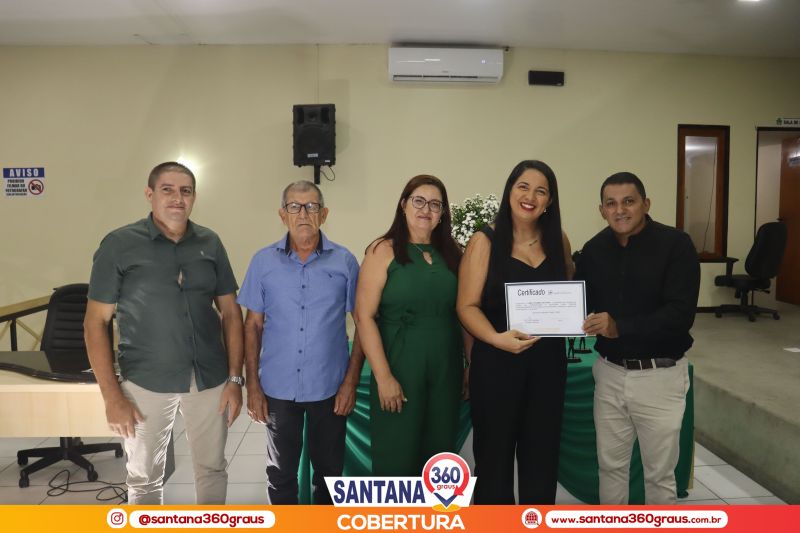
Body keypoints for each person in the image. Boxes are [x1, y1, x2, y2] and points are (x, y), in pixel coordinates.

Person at [84, 161, 244, 505]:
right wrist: (112, 397)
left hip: (208, 378)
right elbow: (95, 322)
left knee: (212, 469)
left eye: (185, 191)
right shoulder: (119, 244)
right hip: (146, 380)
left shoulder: (210, 242)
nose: (177, 198)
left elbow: (231, 313)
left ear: (194, 197)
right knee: (144, 478)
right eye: (167, 190)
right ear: (149, 194)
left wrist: (235, 379)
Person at [577, 172, 700, 505]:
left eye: (629, 201)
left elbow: (680, 314)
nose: (620, 210)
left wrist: (621, 327)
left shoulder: (676, 245)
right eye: (611, 203)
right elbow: (578, 301)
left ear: (645, 204)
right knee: (610, 468)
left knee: (659, 475)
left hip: (659, 376)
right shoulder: (594, 250)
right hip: (609, 373)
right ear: (601, 210)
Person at [238, 180, 364, 504]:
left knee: (329, 476)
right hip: (278, 389)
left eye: (311, 206)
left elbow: (364, 324)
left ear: (324, 214)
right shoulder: (263, 262)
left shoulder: (345, 262)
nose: (303, 213)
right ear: (283, 215)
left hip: (330, 388)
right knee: (280, 475)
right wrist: (253, 386)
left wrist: (350, 383)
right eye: (294, 206)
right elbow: (252, 326)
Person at [457, 160, 573, 504]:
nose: (530, 197)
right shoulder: (484, 241)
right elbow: (466, 306)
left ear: (549, 201)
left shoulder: (559, 240)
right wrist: (496, 339)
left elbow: (565, 295)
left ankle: (536, 523)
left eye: (541, 191)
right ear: (509, 191)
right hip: (497, 364)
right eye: (523, 187)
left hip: (548, 367)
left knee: (542, 457)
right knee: (494, 460)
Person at [355, 174, 468, 476]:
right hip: (399, 364)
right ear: (403, 204)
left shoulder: (454, 254)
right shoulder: (382, 251)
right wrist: (383, 377)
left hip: (446, 366)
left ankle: (433, 509)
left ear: (443, 213)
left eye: (435, 204)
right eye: (419, 201)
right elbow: (364, 316)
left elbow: (465, 313)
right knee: (397, 454)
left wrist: (470, 364)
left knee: (440, 456)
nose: (426, 210)